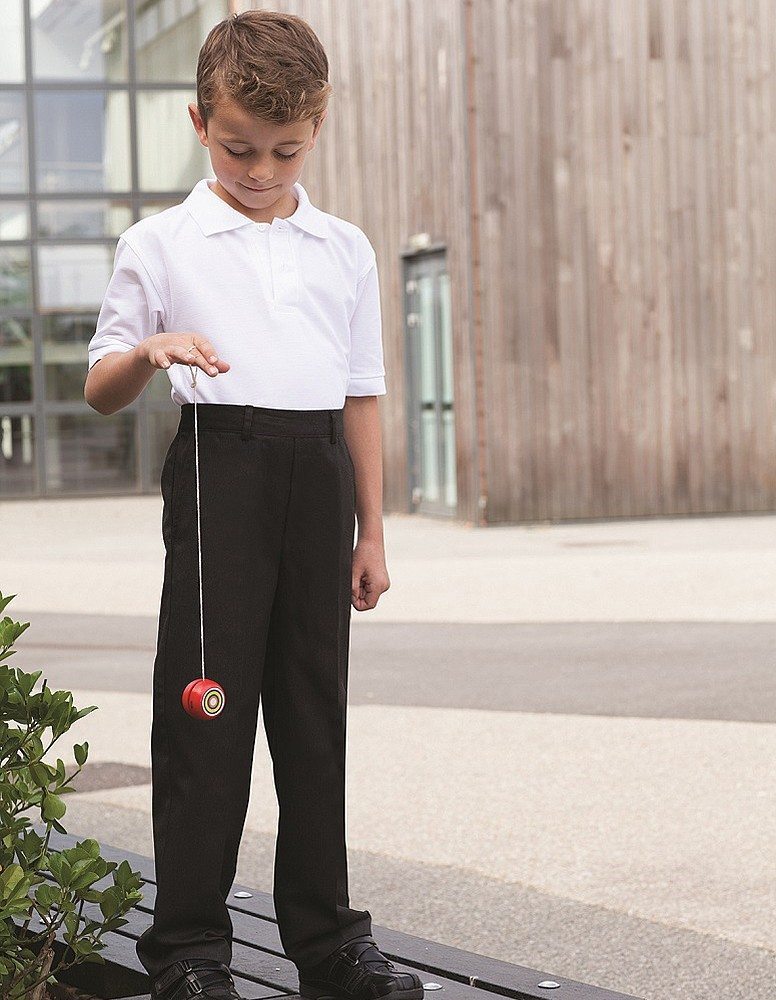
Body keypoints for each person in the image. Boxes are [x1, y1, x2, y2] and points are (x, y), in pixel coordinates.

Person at [84, 10, 423, 1000]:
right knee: (206, 712)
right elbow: (102, 381)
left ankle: (330, 944)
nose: (261, 168)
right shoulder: (161, 242)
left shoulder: (343, 249)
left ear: (316, 125)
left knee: (314, 718)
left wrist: (373, 528)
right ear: (199, 122)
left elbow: (359, 393)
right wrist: (148, 353)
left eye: (283, 147)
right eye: (238, 147)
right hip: (218, 469)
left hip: (317, 474)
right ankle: (189, 952)